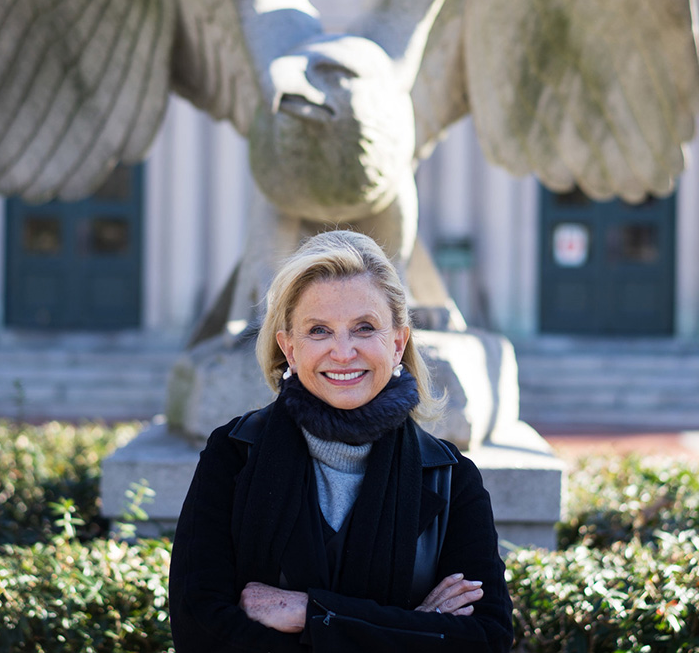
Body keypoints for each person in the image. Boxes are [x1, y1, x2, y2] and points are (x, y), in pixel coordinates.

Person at [169, 229, 514, 652]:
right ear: (290, 349)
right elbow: (198, 630)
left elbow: (486, 640)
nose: (344, 351)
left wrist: (310, 615)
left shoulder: (450, 477)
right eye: (319, 331)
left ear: (397, 342)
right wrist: (411, 628)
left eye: (364, 328)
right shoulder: (233, 455)